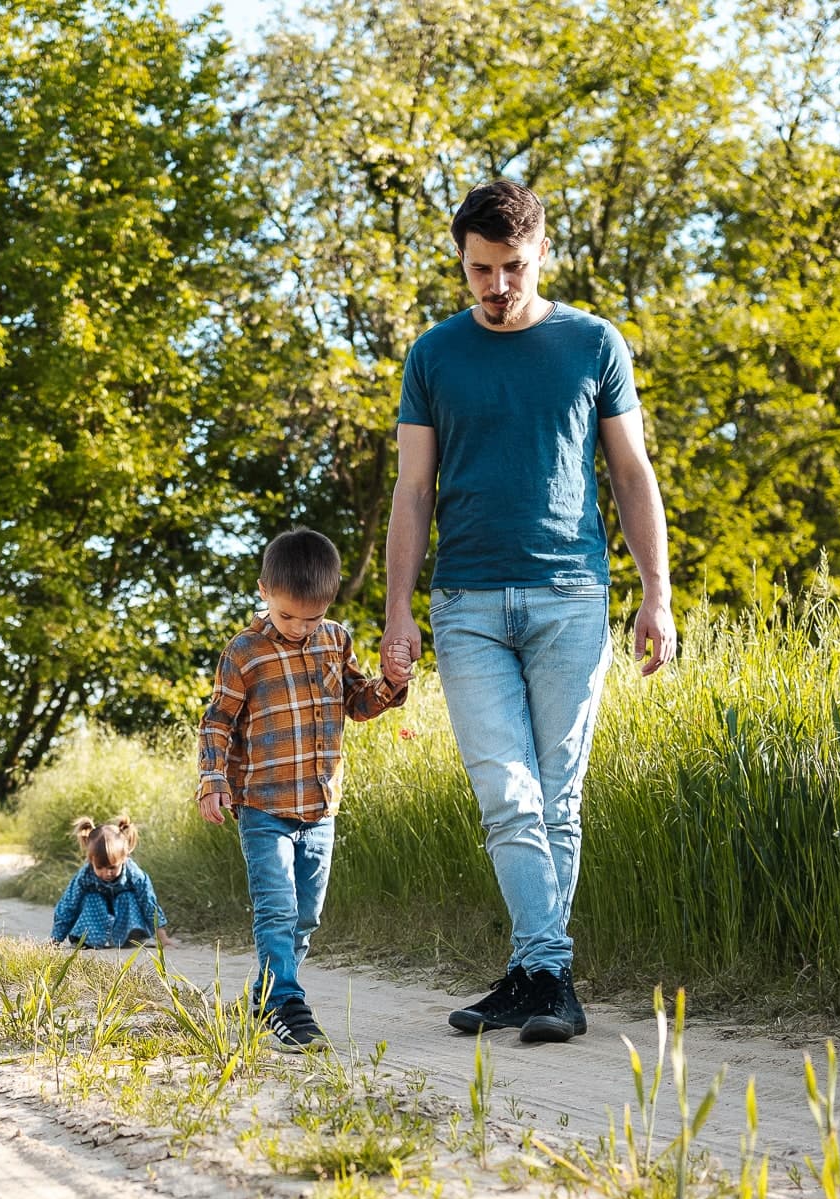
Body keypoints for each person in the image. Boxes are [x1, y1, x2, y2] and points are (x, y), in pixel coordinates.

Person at [381, 179, 677, 1045]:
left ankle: (536, 972)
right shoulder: (434, 356)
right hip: (466, 600)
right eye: (480, 270)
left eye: (512, 267)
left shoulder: (592, 343)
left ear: (541, 252)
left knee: (558, 800)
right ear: (462, 264)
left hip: (571, 596)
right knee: (507, 795)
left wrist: (655, 592)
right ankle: (548, 974)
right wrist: (398, 612)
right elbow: (411, 491)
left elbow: (631, 473)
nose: (497, 286)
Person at [196, 527, 412, 1052]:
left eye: (310, 617)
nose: (298, 627)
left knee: (307, 914)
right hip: (263, 806)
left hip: (320, 806)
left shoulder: (336, 640)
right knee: (276, 908)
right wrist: (212, 779)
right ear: (264, 592)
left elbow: (357, 703)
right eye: (287, 615)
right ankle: (287, 1004)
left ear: (328, 605)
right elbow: (217, 722)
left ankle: (267, 992)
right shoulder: (244, 652)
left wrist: (391, 683)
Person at [51, 815, 170, 949]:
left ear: (124, 858)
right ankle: (87, 939)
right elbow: (69, 905)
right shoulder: (84, 876)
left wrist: (162, 937)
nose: (107, 873)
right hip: (95, 917)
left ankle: (133, 937)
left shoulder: (134, 874)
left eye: (112, 867)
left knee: (128, 896)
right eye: (100, 868)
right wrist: (56, 939)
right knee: (92, 897)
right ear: (91, 861)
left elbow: (149, 902)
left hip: (125, 918)